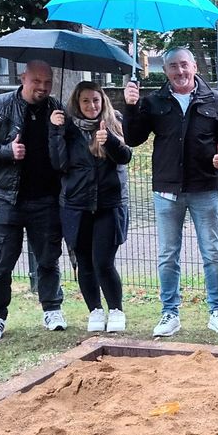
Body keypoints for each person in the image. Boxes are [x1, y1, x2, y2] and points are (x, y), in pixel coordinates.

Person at [123, 47, 218, 338]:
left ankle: (217, 311)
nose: (180, 72)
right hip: (166, 190)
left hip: (205, 189)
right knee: (167, 256)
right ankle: (169, 314)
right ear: (166, 71)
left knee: (212, 253)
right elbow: (132, 138)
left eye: (184, 65)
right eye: (173, 66)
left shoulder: (215, 100)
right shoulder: (154, 101)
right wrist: (131, 107)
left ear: (195, 66)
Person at [0, 60, 66, 342]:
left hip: (46, 199)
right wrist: (6, 150)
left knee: (48, 259)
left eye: (47, 83)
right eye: (37, 82)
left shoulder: (56, 109)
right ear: (23, 78)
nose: (43, 88)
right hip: (6, 199)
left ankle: (52, 309)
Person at [49, 81, 132, 333]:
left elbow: (126, 157)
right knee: (84, 262)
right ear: (77, 102)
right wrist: (55, 131)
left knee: (103, 261)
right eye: (85, 101)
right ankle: (95, 310)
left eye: (95, 100)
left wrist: (109, 142)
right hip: (76, 205)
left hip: (108, 204)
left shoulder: (113, 121)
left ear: (102, 100)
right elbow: (58, 163)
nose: (91, 105)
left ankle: (116, 310)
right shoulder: (67, 127)